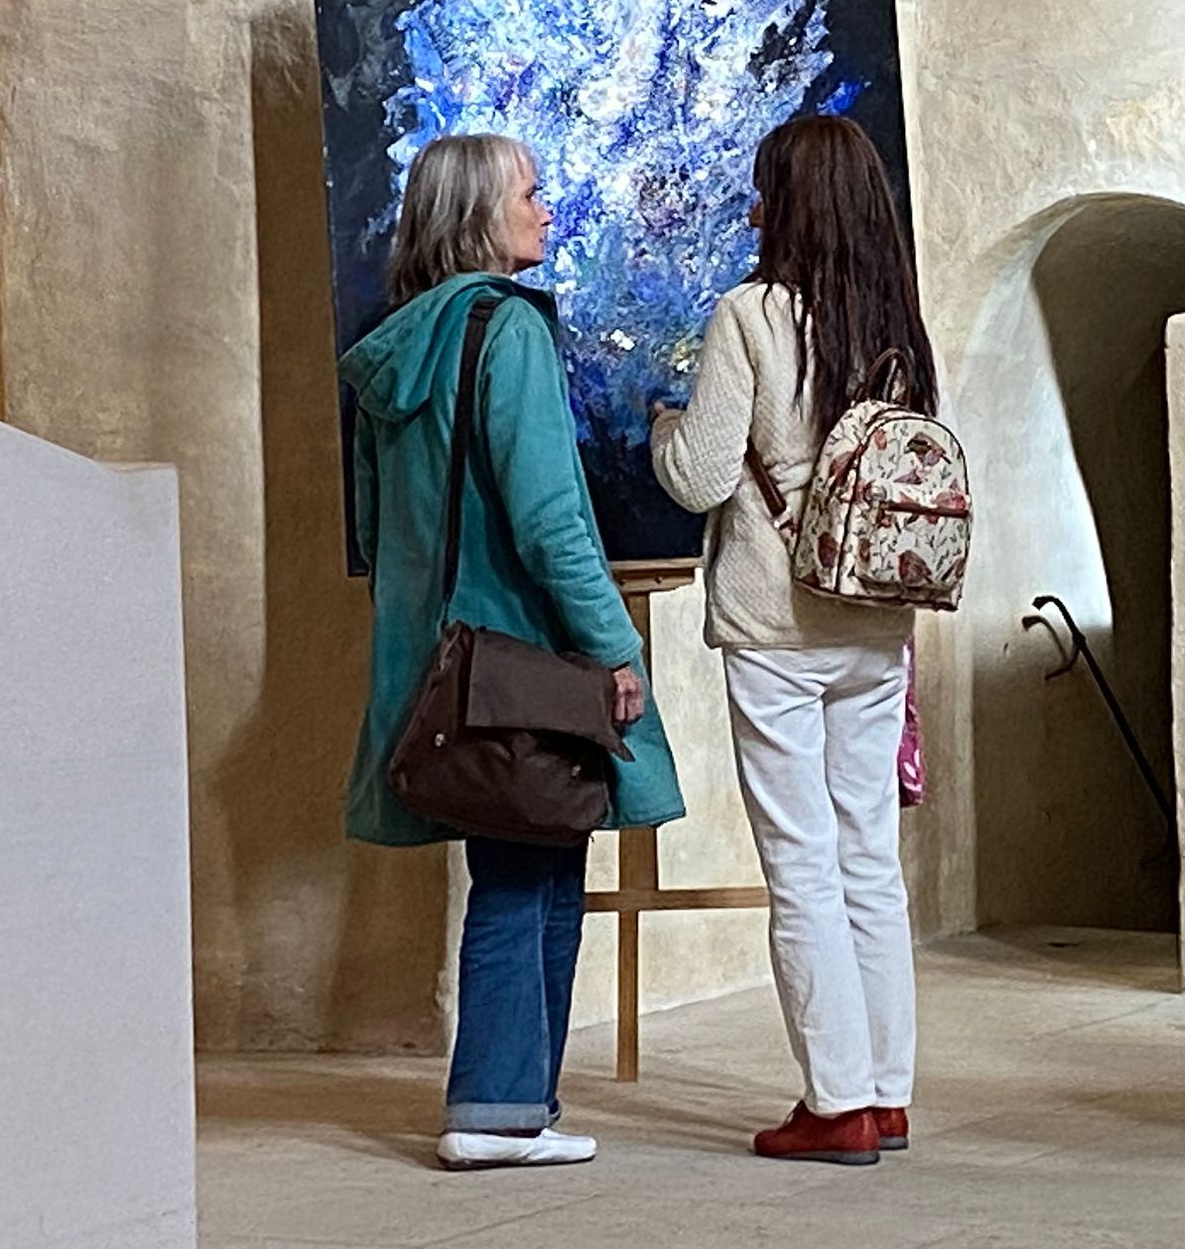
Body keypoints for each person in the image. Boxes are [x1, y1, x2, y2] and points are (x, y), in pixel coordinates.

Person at [340, 132, 684, 1171]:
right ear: (477, 216)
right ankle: (492, 1110)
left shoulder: (400, 346)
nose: (545, 209)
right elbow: (548, 519)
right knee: (527, 873)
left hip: (440, 660)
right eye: (529, 193)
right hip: (523, 653)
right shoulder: (508, 329)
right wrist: (615, 647)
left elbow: (377, 534)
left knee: (528, 860)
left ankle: (519, 1103)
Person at [650, 115, 937, 1166]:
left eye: (765, 187)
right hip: (874, 621)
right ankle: (886, 1093)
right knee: (868, 857)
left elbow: (700, 476)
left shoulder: (751, 314)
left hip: (777, 624)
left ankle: (835, 1103)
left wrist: (660, 430)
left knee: (801, 863)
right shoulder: (896, 321)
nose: (752, 206)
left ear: (791, 204)